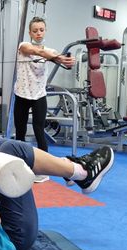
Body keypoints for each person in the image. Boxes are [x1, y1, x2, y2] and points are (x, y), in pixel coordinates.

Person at [14, 17, 75, 183]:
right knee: (20, 133)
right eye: (35, 30)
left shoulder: (51, 51)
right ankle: (20, 168)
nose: (38, 33)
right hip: (22, 94)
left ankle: (43, 170)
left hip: (39, 95)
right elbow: (39, 52)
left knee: (39, 131)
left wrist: (67, 61)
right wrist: (56, 57)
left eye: (41, 30)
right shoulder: (23, 46)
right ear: (30, 32)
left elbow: (59, 59)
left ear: (45, 31)